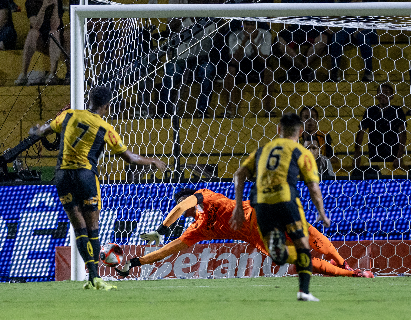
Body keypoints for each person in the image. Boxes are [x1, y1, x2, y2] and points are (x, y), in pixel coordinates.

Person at [28, 86, 167, 290]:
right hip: (85, 176)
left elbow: (42, 131)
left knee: (79, 229)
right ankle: (97, 278)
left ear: (89, 100)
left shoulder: (68, 116)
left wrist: (35, 130)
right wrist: (153, 161)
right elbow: (129, 157)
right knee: (93, 229)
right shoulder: (105, 128)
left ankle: (92, 278)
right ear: (106, 106)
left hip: (63, 175)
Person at [114, 188, 372, 279]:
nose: (186, 211)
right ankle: (349, 270)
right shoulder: (197, 230)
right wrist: (136, 262)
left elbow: (182, 206)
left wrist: (161, 230)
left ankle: (346, 267)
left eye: (186, 205)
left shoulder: (205, 197)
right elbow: (170, 250)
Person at [230, 113, 331, 302]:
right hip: (285, 199)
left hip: (260, 202)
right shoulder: (301, 151)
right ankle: (304, 291)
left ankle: (280, 250)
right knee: (303, 244)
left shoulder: (262, 150)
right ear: (300, 132)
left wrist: (237, 206)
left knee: (278, 257)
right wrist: (322, 213)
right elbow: (313, 187)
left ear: (278, 129)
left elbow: (239, 175)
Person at [158, 15, 217, 118]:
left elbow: (216, 38)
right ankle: (164, 111)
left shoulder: (209, 22)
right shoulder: (182, 21)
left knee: (208, 69)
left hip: (201, 60)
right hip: (181, 61)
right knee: (170, 70)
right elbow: (169, 29)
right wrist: (182, 18)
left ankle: (202, 111)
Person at [222, 20, 274, 118]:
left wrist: (253, 43)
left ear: (257, 24)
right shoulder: (234, 36)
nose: (249, 27)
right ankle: (229, 109)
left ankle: (267, 108)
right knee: (230, 70)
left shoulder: (265, 34)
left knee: (269, 71)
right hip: (241, 65)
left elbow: (263, 60)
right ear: (242, 24)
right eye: (247, 24)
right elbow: (234, 60)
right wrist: (244, 40)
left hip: (257, 64)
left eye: (252, 24)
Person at [15, 0, 69, 86]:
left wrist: (55, 6)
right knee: (32, 33)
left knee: (54, 32)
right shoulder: (30, 2)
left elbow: (55, 25)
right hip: (40, 40)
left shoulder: (56, 1)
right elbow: (36, 25)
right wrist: (43, 7)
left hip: (57, 41)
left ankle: (52, 74)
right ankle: (23, 74)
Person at [353, 83, 407, 169]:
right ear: (376, 95)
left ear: (392, 96)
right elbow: (361, 132)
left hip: (393, 155)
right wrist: (357, 153)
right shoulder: (371, 111)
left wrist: (399, 155)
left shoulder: (397, 111)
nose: (383, 95)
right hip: (374, 154)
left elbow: (403, 133)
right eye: (380, 92)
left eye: (386, 92)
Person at [329, 0, 377, 82]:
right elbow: (337, 18)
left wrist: (360, 29)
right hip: (348, 28)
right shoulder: (343, 3)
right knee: (337, 37)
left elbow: (374, 19)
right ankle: (334, 72)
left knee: (363, 37)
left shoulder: (370, 2)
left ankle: (368, 73)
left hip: (367, 27)